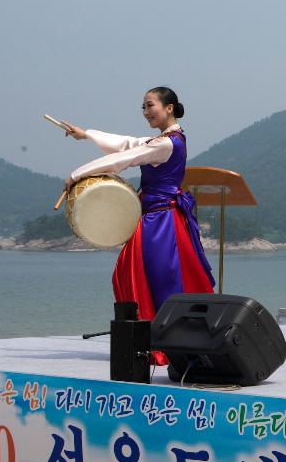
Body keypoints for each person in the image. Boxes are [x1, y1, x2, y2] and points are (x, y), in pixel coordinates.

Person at [63, 87, 215, 339]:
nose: (146, 112)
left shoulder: (166, 144)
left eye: (150, 105)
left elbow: (125, 158)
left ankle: (164, 337)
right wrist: (87, 134)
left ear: (169, 108)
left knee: (155, 277)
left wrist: (76, 175)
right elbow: (128, 143)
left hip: (160, 222)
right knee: (143, 275)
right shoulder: (167, 140)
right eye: (143, 107)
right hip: (158, 219)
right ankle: (157, 334)